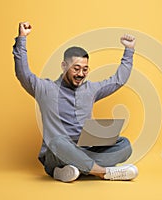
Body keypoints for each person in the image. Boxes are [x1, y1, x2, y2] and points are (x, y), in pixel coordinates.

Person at [13, 21, 138, 183]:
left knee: (125, 145)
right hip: (55, 155)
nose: (81, 73)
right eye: (76, 68)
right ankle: (102, 172)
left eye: (85, 69)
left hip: (84, 152)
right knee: (57, 141)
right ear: (64, 66)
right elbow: (23, 73)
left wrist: (129, 50)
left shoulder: (90, 90)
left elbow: (118, 80)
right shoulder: (45, 89)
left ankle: (73, 170)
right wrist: (22, 39)